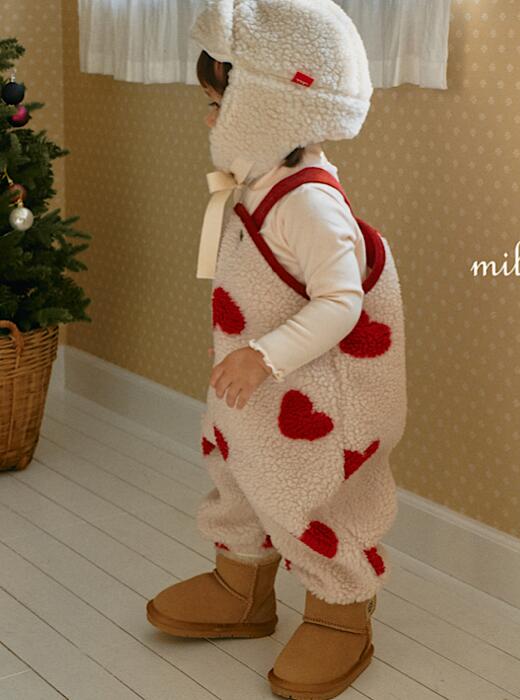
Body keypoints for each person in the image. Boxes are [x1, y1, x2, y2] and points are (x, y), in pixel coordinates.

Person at [145, 1, 407, 698]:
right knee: (241, 472)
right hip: (257, 396)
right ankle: (242, 586)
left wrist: (264, 356)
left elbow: (341, 303)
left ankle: (340, 611)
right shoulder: (262, 184)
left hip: (314, 402)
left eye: (218, 105)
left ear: (270, 108)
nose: (209, 121)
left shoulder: (309, 205)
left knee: (314, 497)